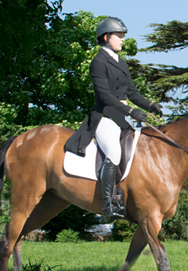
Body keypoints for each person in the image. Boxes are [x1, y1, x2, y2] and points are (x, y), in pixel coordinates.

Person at [64, 17, 162, 222]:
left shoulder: (121, 63)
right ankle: (108, 204)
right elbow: (105, 96)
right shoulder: (98, 62)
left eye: (123, 36)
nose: (122, 40)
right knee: (115, 153)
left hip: (119, 117)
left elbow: (133, 92)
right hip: (104, 116)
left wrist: (150, 105)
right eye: (119, 36)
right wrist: (131, 111)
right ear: (106, 37)